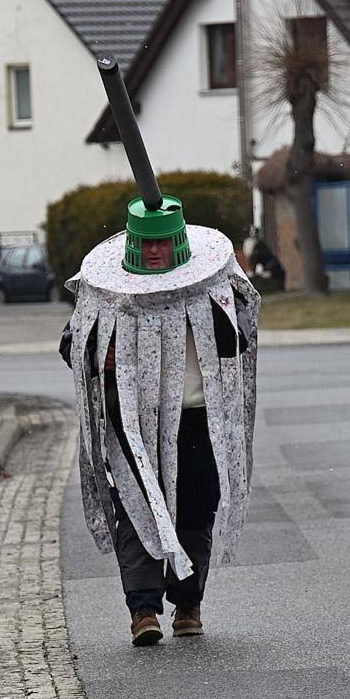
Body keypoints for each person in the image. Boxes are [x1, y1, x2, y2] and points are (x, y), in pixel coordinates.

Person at [62, 200, 258, 648]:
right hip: (131, 420)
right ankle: (143, 609)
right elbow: (73, 341)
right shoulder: (108, 292)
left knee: (194, 510)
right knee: (137, 508)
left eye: (162, 243)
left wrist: (211, 307)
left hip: (197, 418)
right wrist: (97, 352)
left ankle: (188, 604)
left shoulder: (214, 286)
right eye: (146, 243)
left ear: (179, 244)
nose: (154, 251)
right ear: (132, 246)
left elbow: (236, 339)